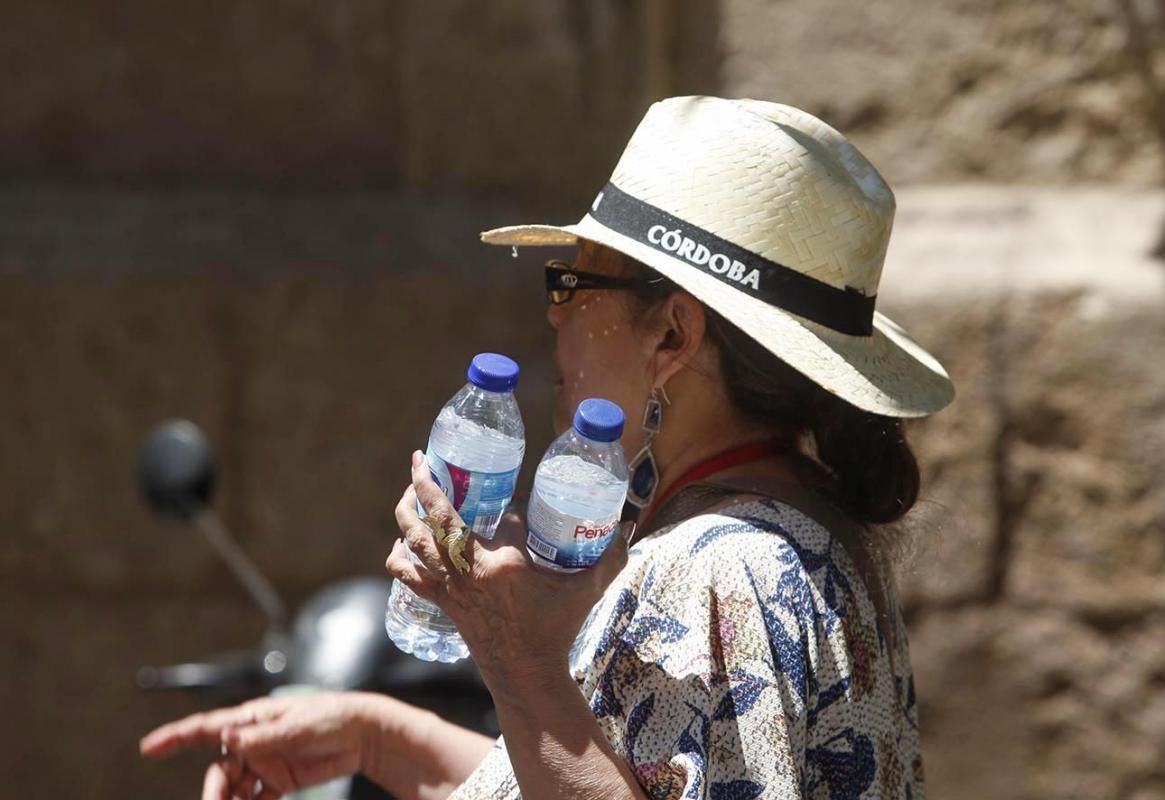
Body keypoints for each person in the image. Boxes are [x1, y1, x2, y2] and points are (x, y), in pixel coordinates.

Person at [141, 95, 954, 800]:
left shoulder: (713, 567)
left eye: (574, 282)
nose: (555, 314)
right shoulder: (796, 532)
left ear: (672, 333)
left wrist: (516, 656)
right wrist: (377, 739)